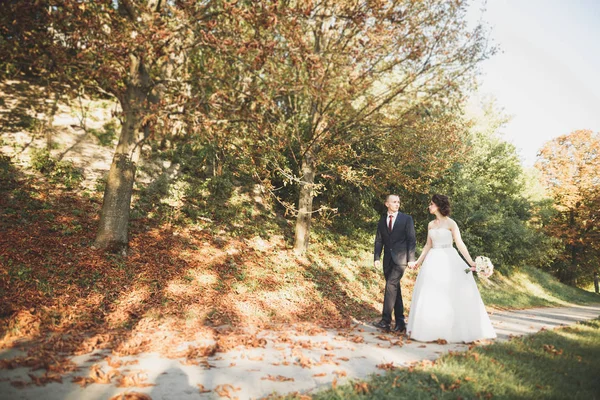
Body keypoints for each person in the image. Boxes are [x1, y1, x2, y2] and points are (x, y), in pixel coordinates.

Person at [406, 194, 496, 343]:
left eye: (431, 204)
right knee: (431, 293)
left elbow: (460, 244)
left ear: (439, 206)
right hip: (432, 260)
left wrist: (471, 262)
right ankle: (431, 329)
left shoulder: (451, 223)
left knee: (450, 293)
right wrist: (418, 262)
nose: (429, 206)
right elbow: (428, 245)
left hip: (449, 258)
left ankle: (452, 330)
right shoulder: (430, 224)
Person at [373, 194, 416, 333]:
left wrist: (411, 259)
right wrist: (376, 258)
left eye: (398, 202)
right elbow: (379, 240)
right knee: (394, 290)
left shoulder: (406, 219)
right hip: (387, 260)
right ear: (387, 204)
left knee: (391, 285)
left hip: (401, 260)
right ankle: (400, 322)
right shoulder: (382, 220)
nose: (397, 204)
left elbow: (411, 239)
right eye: (394, 202)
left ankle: (385, 321)